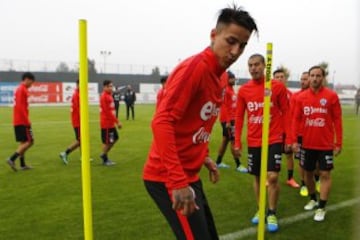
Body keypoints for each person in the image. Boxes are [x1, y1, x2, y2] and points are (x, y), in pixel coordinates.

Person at [143, 5, 258, 239]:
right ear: (214, 35)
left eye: (243, 46)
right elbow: (161, 121)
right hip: (168, 176)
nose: (236, 51)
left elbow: (194, 124)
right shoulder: (195, 69)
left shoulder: (222, 76)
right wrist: (177, 181)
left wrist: (203, 156)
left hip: (190, 174)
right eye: (231, 41)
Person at [234, 54, 290, 232]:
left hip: (273, 138)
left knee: (272, 176)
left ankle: (271, 212)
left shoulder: (277, 87)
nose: (253, 68)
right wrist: (237, 142)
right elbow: (239, 117)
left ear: (264, 66)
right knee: (258, 177)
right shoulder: (244, 90)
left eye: (257, 64)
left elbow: (286, 112)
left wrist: (289, 138)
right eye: (250, 65)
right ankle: (261, 209)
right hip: (254, 139)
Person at [292, 66, 342, 222]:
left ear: (323, 78)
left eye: (318, 76)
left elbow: (337, 120)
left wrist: (338, 142)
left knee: (325, 174)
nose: (314, 78)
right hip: (306, 143)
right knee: (307, 174)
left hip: (325, 145)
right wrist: (293, 140)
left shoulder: (331, 96)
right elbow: (295, 119)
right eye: (312, 75)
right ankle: (313, 199)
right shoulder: (301, 97)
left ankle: (321, 207)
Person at [273, 69, 300, 188]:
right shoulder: (268, 93)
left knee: (289, 155)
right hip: (273, 130)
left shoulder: (291, 95)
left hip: (286, 130)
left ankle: (290, 178)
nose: (279, 79)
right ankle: (271, 178)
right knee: (273, 155)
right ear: (273, 79)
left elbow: (292, 115)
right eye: (277, 77)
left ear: (285, 79)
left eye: (281, 77)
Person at [216, 71, 247, 173]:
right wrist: (229, 121)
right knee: (233, 141)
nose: (233, 80)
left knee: (225, 141)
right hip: (227, 120)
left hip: (231, 119)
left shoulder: (231, 90)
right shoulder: (226, 91)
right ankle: (238, 165)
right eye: (231, 78)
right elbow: (224, 106)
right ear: (227, 79)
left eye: (234, 78)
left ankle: (218, 162)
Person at [6, 72, 36, 171]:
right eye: (31, 82)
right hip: (22, 121)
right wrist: (27, 121)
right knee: (30, 141)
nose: (32, 84)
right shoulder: (21, 89)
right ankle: (12, 158)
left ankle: (22, 164)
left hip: (19, 120)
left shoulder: (22, 89)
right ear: (27, 79)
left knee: (23, 142)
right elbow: (19, 107)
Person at [289, 71, 311, 196]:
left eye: (305, 79)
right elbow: (292, 117)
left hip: (313, 134)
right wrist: (292, 137)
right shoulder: (295, 96)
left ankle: (317, 180)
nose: (303, 81)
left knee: (316, 162)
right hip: (300, 135)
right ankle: (303, 184)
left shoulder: (315, 96)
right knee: (302, 161)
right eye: (301, 79)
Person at [100, 80, 122, 166]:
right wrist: (118, 122)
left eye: (111, 86)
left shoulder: (109, 96)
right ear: (104, 87)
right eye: (109, 86)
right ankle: (104, 158)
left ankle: (104, 155)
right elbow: (108, 112)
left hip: (110, 124)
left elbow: (111, 111)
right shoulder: (104, 97)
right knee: (108, 141)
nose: (111, 88)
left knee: (113, 139)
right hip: (106, 124)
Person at [59, 80, 81, 164]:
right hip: (78, 121)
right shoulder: (77, 95)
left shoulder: (78, 94)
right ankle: (65, 153)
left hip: (78, 121)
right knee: (80, 140)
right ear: (78, 85)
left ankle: (83, 157)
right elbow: (78, 109)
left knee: (81, 140)